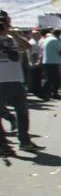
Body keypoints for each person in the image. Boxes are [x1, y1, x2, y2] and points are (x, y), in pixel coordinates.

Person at [0, 11, 42, 154]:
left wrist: (14, 34)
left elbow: (27, 47)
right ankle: (2, 145)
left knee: (22, 112)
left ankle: (24, 141)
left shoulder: (13, 39)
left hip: (16, 79)